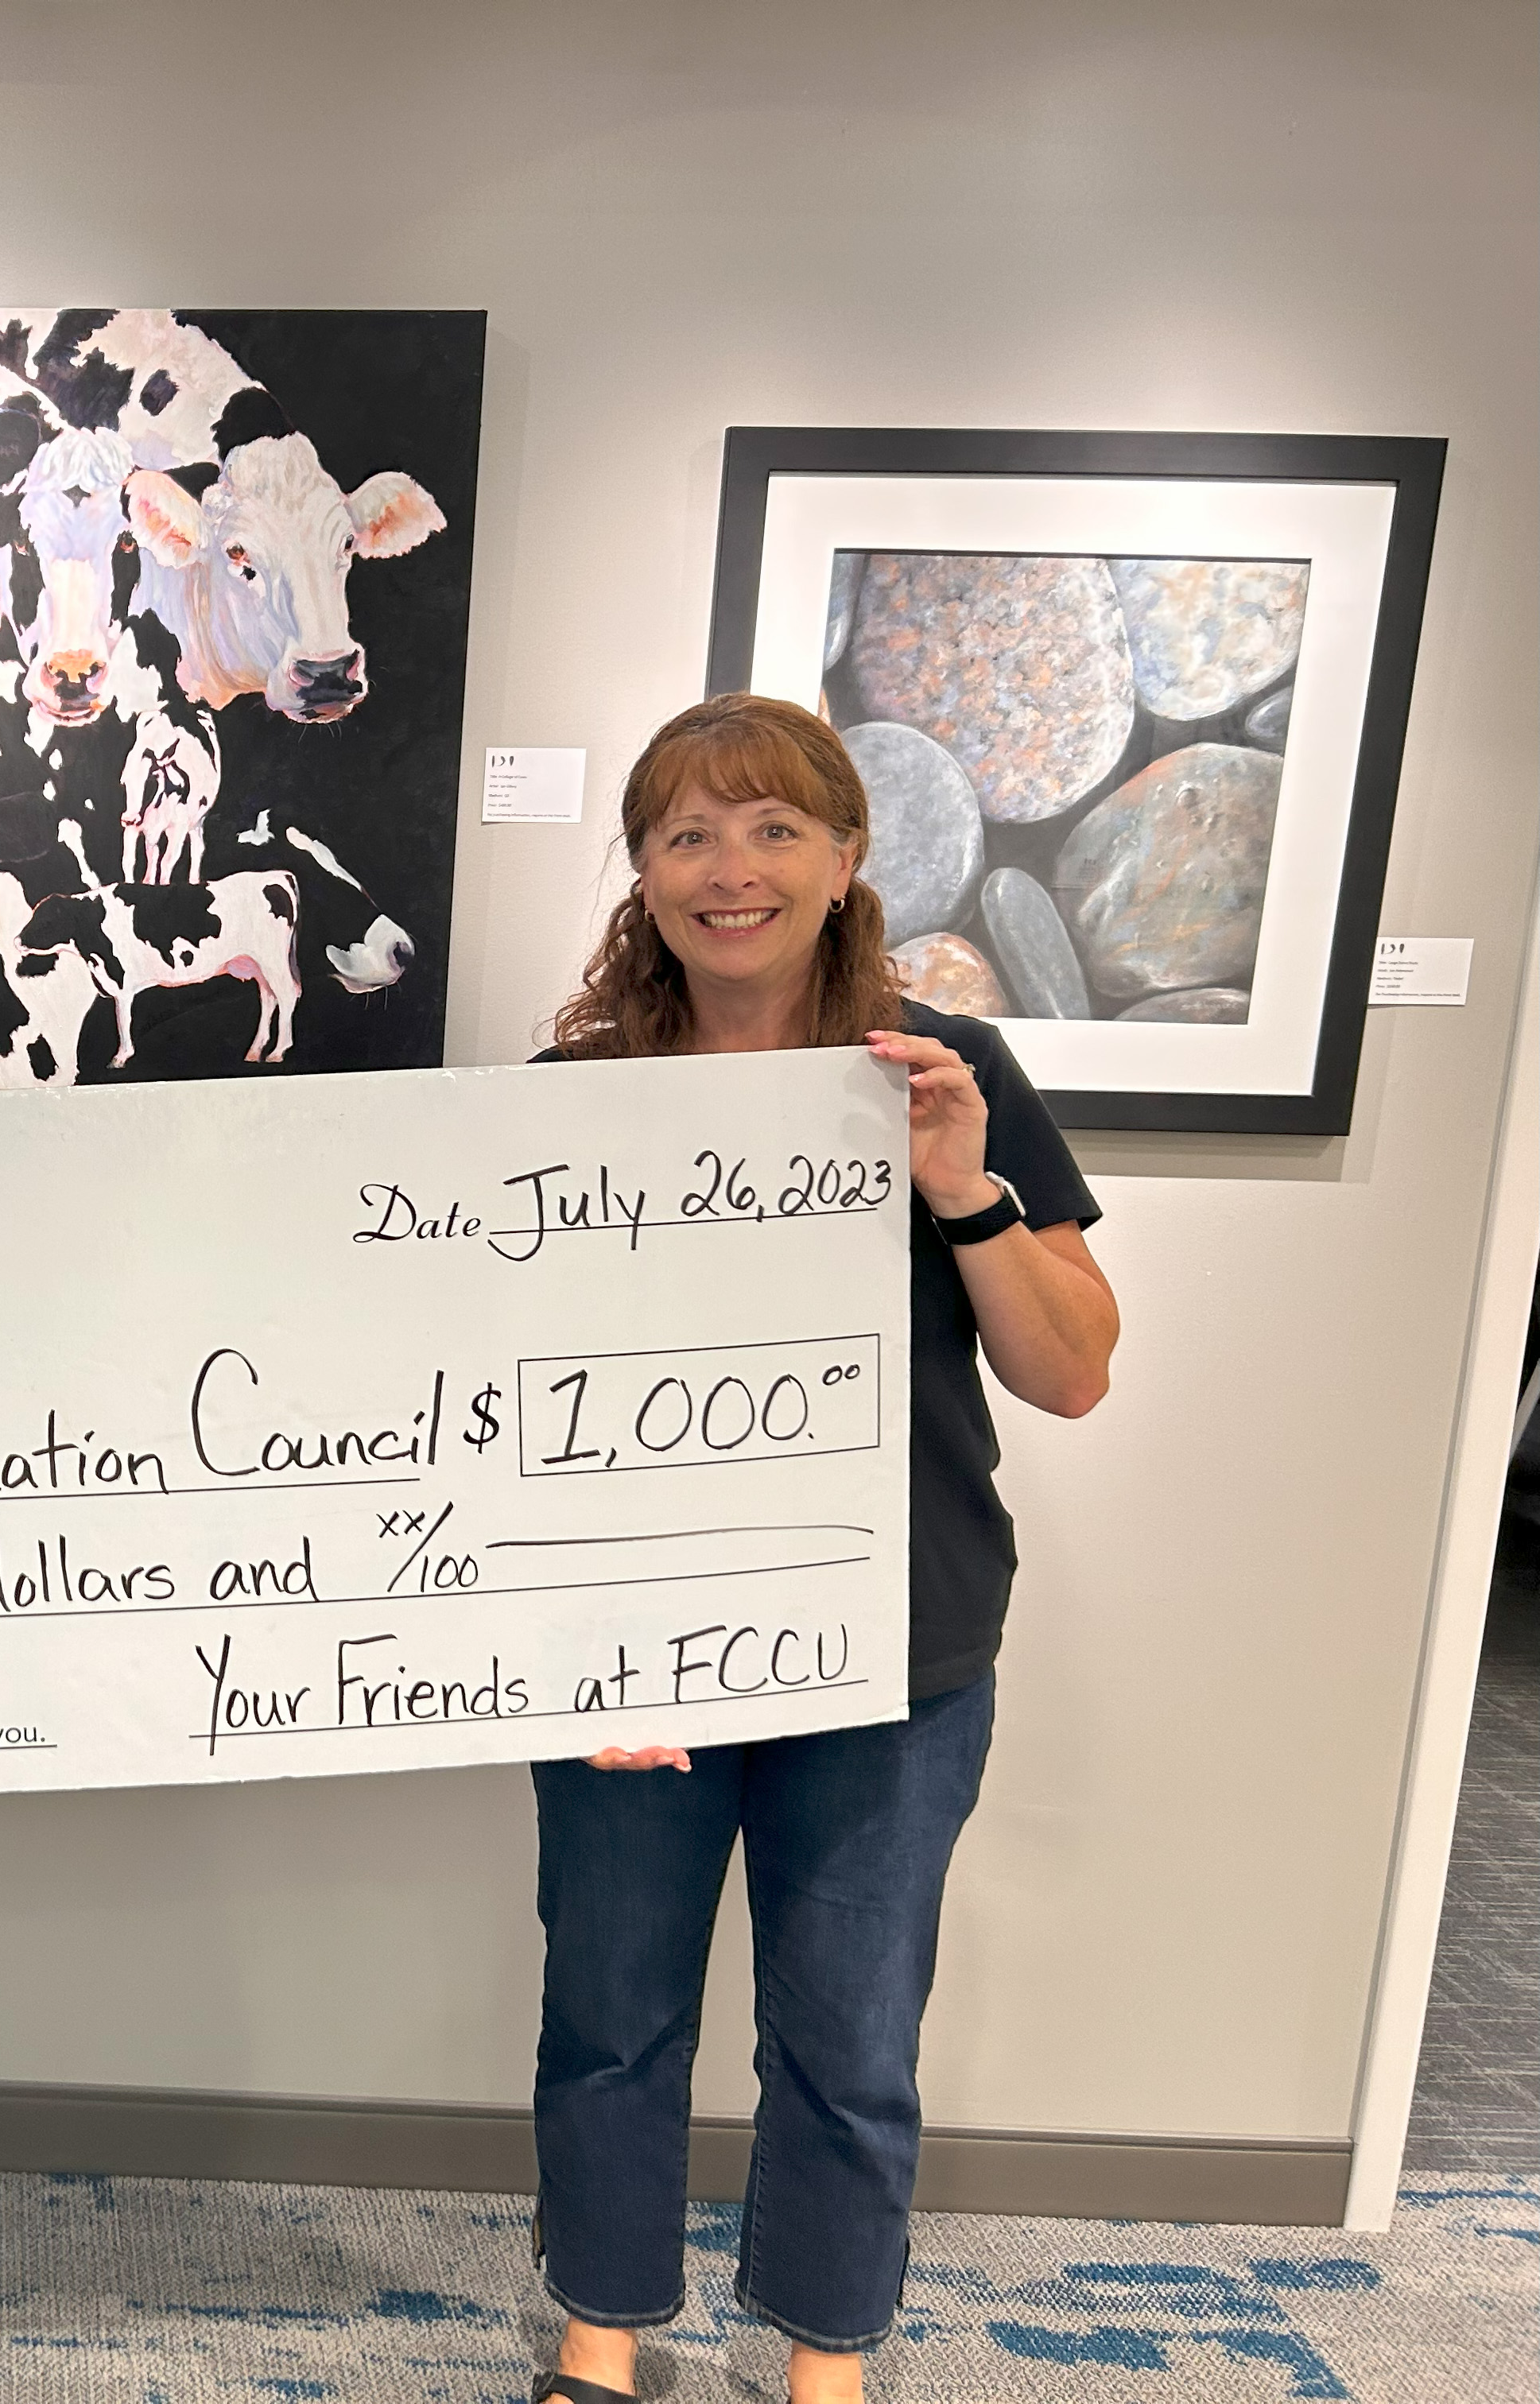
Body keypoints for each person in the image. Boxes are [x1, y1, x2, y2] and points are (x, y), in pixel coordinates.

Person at [522, 694, 1119, 2404]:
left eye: (776, 827)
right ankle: (604, 2333)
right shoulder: (571, 1102)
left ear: (848, 854)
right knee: (613, 2011)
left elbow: (1071, 1370)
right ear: (640, 872)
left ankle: (822, 2356)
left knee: (850, 2038)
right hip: (629, 1646)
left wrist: (961, 1186)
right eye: (687, 834)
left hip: (894, 1645)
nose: (732, 870)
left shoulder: (949, 1075)